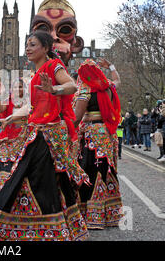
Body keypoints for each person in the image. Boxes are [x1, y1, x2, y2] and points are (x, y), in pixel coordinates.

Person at [0, 30, 90, 241]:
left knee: (28, 174)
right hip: (35, 130)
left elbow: (72, 86)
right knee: (47, 178)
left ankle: (20, 222)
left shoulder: (52, 67)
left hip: (48, 133)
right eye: (27, 45)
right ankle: (54, 226)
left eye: (32, 45)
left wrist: (54, 89)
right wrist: (12, 117)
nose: (28, 49)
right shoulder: (35, 74)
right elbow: (32, 106)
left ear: (46, 48)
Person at [73, 58, 123, 229]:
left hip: (92, 134)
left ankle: (91, 214)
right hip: (108, 134)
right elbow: (118, 81)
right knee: (106, 169)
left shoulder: (86, 89)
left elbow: (77, 117)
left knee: (90, 170)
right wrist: (111, 66)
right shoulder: (107, 85)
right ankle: (110, 214)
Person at [0, 78, 28, 191]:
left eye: (20, 87)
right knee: (4, 163)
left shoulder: (28, 102)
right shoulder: (8, 99)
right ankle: (4, 192)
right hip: (7, 138)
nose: (17, 89)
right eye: (15, 87)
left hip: (23, 139)